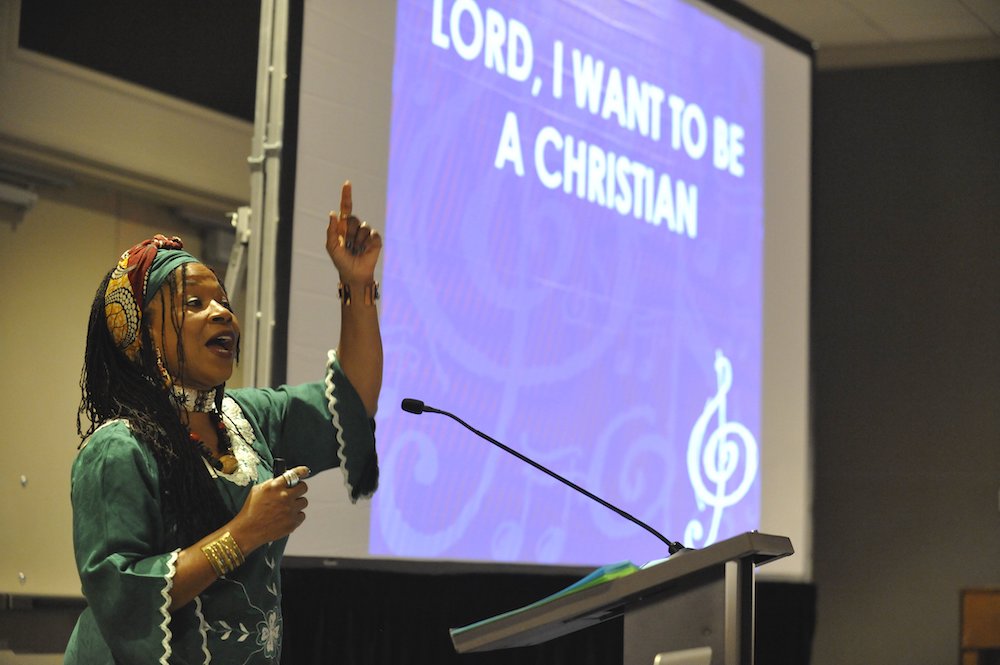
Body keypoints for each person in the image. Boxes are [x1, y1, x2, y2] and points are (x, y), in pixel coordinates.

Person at [64, 182, 382, 664]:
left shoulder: (246, 417)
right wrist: (245, 532)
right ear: (141, 336)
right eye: (195, 303)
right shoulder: (119, 449)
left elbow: (352, 402)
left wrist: (357, 284)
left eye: (224, 303)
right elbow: (123, 594)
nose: (223, 314)